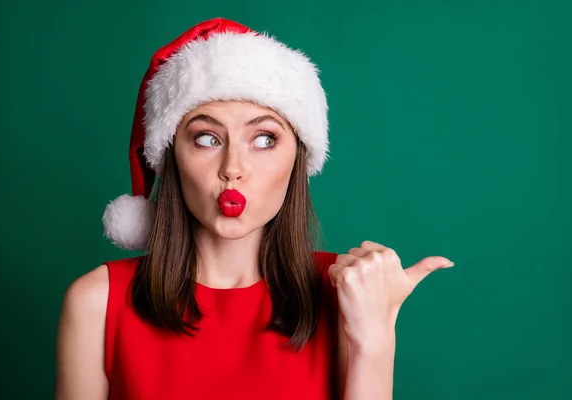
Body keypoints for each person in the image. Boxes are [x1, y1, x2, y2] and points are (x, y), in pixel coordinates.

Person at [55, 17, 453, 400]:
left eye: (263, 139)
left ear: (297, 159)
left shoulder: (344, 292)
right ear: (171, 155)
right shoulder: (98, 303)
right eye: (207, 138)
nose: (233, 169)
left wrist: (374, 340)